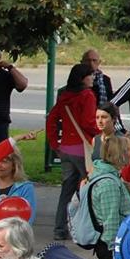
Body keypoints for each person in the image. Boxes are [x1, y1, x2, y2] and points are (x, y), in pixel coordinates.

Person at [45, 64, 98, 241]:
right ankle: (87, 229)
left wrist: (55, 144)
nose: (93, 78)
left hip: (66, 149)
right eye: (90, 75)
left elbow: (52, 119)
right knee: (89, 189)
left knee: (67, 191)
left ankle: (60, 229)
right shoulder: (87, 95)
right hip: (82, 150)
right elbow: (88, 123)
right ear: (83, 78)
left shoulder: (65, 96)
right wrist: (102, 133)